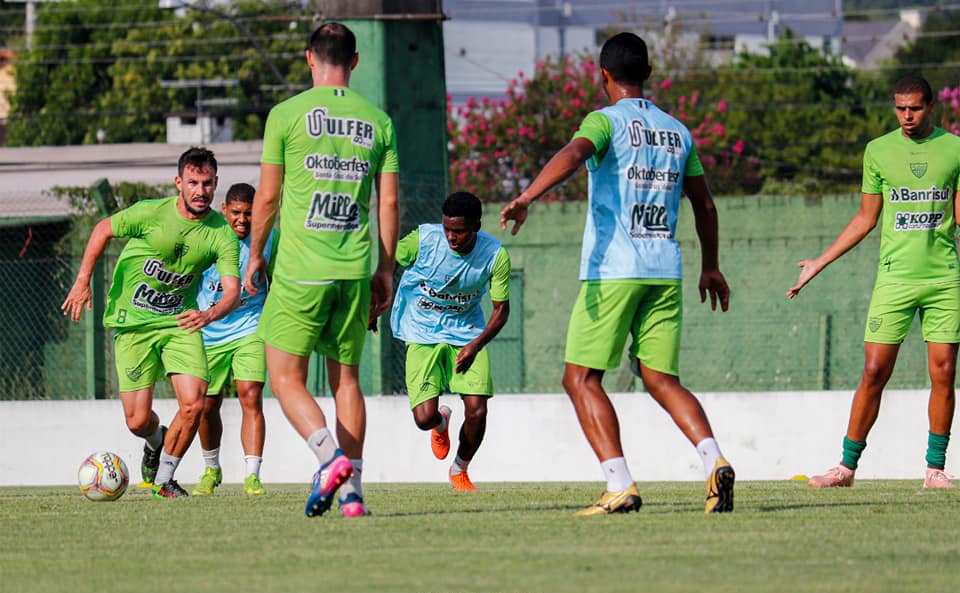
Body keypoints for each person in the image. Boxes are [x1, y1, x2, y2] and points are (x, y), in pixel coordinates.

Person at [500, 32, 734, 515]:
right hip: (665, 270)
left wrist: (527, 196)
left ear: (603, 74)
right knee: (661, 377)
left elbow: (574, 153)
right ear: (647, 74)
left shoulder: (604, 121)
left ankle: (619, 482)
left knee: (580, 378)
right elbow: (704, 204)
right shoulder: (677, 130)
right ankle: (715, 459)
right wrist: (710, 265)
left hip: (614, 272)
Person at [245, 22, 399, 518]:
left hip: (301, 270)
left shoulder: (285, 116)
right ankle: (353, 495)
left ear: (309, 57)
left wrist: (255, 253)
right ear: (355, 61)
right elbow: (389, 201)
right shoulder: (379, 121)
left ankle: (330, 459)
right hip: (354, 269)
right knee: (346, 381)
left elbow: (266, 196)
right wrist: (386, 269)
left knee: (285, 377)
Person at [788, 75, 960, 489]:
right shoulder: (878, 151)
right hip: (894, 280)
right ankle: (846, 468)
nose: (906, 116)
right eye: (900, 108)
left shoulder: (954, 148)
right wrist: (819, 262)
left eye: (914, 108)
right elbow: (866, 219)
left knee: (944, 371)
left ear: (930, 106)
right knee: (873, 369)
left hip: (943, 279)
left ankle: (935, 470)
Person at [61, 147, 240, 499]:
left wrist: (209, 313)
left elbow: (232, 290)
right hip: (135, 324)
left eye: (207, 183)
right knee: (137, 421)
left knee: (194, 403)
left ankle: (165, 481)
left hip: (181, 323)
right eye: (193, 182)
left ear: (216, 183)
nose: (200, 191)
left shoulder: (221, 234)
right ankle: (155, 441)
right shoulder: (150, 213)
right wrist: (83, 281)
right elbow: (102, 230)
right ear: (178, 183)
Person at [390, 192, 510, 491]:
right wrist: (374, 298)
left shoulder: (495, 255)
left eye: (459, 231)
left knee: (478, 410)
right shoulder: (423, 240)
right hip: (421, 332)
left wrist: (475, 345)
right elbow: (386, 254)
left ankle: (460, 469)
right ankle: (440, 422)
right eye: (447, 229)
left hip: (468, 334)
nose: (451, 237)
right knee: (424, 418)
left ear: (477, 226)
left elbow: (501, 310)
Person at [192, 183, 277, 497]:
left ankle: (252, 476)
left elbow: (281, 278)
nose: (242, 220)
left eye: (249, 214)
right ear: (224, 209)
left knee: (250, 394)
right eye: (236, 213)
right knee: (205, 406)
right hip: (209, 330)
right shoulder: (206, 234)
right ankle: (211, 469)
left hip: (250, 327)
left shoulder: (269, 239)